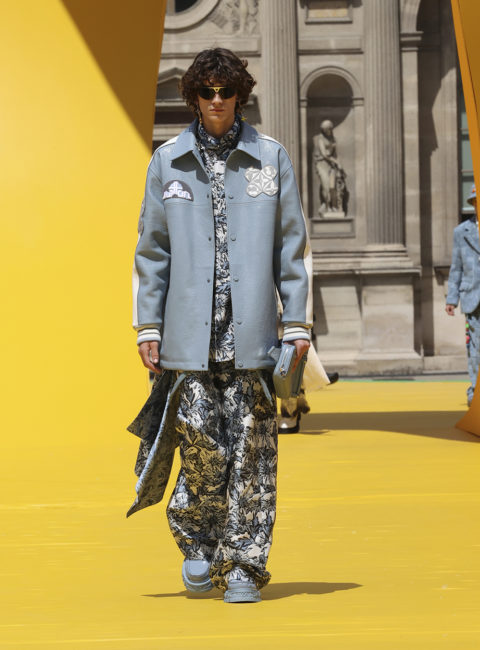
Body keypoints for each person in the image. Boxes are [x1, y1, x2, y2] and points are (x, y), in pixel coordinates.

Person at [131, 48, 316, 604]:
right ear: (194, 96)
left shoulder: (270, 158)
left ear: (240, 95)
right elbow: (152, 251)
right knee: (200, 447)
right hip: (188, 339)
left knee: (252, 454)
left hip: (253, 339)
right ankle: (199, 543)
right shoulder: (167, 161)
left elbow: (291, 247)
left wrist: (297, 323)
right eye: (207, 91)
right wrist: (147, 326)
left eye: (226, 91)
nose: (217, 101)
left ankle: (243, 567)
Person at [445, 184, 480, 407]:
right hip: (473, 298)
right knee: (476, 347)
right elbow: (456, 267)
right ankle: (475, 391)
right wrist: (452, 298)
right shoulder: (461, 231)